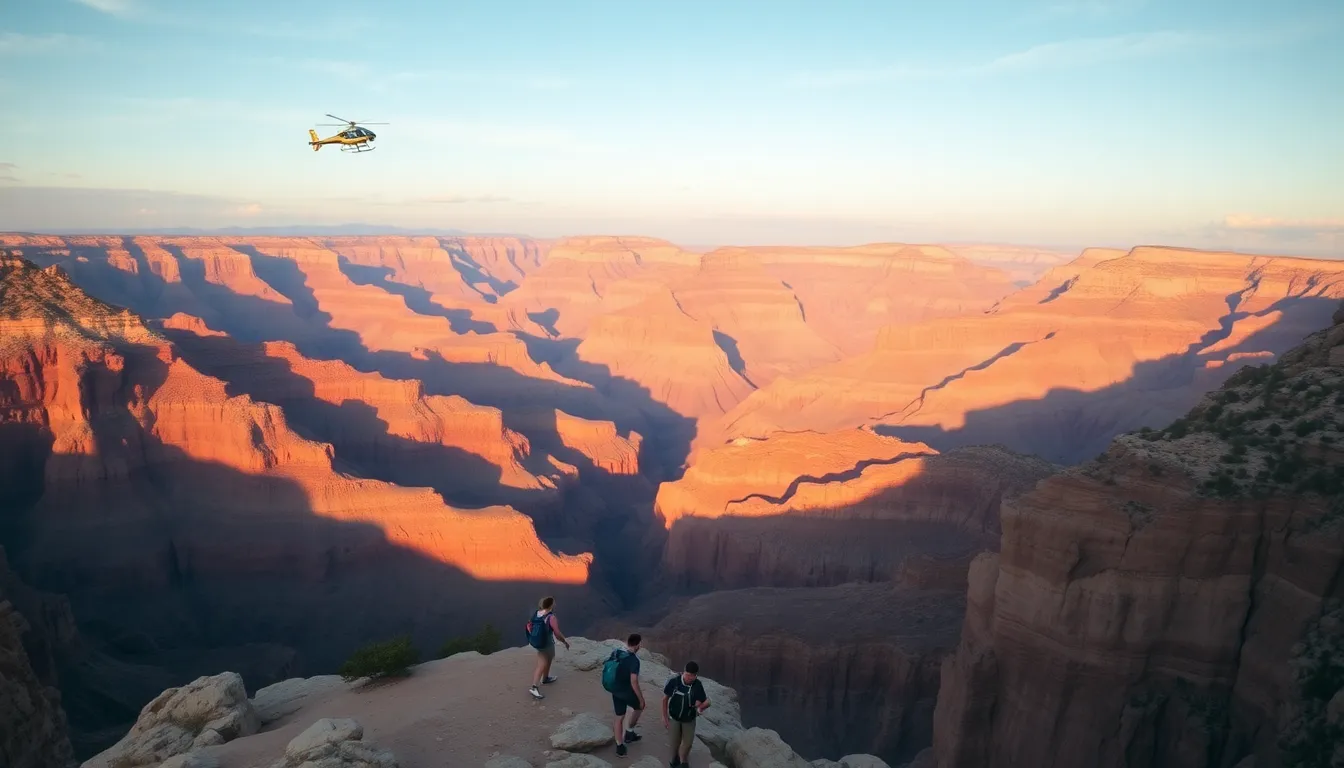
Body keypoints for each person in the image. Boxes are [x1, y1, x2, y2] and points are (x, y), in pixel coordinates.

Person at [662, 661, 711, 767]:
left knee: (688, 744)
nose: (690, 678)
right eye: (688, 675)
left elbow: (705, 701)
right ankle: (674, 760)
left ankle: (683, 760)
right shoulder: (674, 681)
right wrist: (665, 718)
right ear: (683, 672)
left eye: (693, 676)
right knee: (675, 742)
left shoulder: (697, 685)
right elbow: (665, 699)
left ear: (696, 675)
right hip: (674, 717)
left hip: (689, 719)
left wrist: (701, 706)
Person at [609, 633, 646, 758]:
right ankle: (629, 732)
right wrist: (641, 698)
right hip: (627, 691)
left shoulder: (618, 652)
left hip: (615, 689)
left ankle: (619, 746)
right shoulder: (634, 660)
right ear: (638, 644)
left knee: (619, 717)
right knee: (640, 707)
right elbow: (634, 681)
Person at [527, 596, 569, 700]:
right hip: (547, 643)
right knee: (542, 664)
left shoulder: (537, 614)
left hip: (538, 642)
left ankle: (545, 678)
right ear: (551, 605)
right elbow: (557, 633)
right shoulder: (551, 617)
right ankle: (534, 687)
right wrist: (564, 641)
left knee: (548, 659)